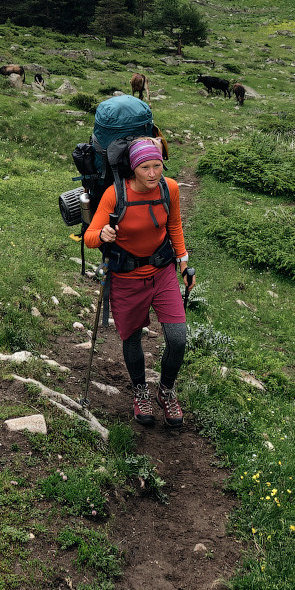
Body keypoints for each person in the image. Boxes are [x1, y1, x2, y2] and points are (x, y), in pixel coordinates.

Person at [83, 137, 188, 428]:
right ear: (133, 168)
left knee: (178, 338)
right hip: (126, 276)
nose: (153, 173)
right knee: (131, 339)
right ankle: (140, 390)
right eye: (145, 167)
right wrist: (103, 233)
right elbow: (90, 237)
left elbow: (174, 224)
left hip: (162, 270)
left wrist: (183, 259)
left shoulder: (171, 188)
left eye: (157, 166)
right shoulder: (115, 195)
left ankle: (166, 391)